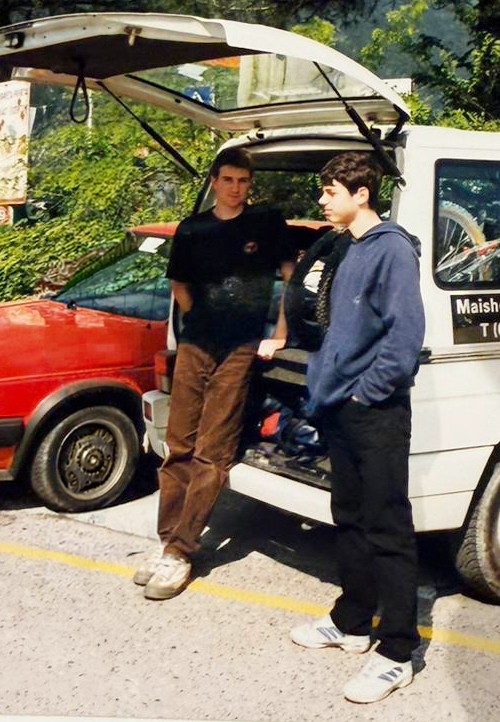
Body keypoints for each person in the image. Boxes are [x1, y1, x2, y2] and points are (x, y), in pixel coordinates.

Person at [289, 152, 425, 704]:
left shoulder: (391, 248)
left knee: (387, 526)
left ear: (361, 193)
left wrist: (365, 392)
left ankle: (398, 651)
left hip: (376, 411)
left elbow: (404, 335)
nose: (322, 200)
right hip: (341, 407)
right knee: (348, 516)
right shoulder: (347, 245)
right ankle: (351, 622)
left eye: (331, 191)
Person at [133, 146, 298, 600]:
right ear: (214, 182)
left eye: (243, 181)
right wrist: (202, 322)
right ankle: (167, 541)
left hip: (241, 348)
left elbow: (290, 275)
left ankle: (182, 551)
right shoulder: (194, 228)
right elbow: (179, 284)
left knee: (213, 451)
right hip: (195, 345)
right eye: (228, 180)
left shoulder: (266, 222)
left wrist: (280, 332)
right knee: (178, 445)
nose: (236, 189)